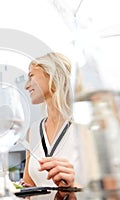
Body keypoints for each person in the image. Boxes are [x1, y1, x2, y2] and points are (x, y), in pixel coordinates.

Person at [22, 52, 82, 187]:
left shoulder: (86, 128)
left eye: (31, 76)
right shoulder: (32, 132)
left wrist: (73, 188)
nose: (26, 86)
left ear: (53, 76)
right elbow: (29, 187)